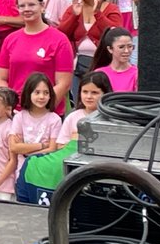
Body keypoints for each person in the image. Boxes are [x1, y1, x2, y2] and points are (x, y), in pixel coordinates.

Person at [19, 72, 112, 204]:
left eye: (94, 93)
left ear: (105, 94)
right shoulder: (73, 116)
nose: (89, 96)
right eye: (85, 92)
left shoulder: (110, 119)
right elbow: (61, 146)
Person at [0, 0, 74, 115]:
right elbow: (1, 78)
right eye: (22, 6)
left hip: (48, 114)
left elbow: (64, 83)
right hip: (16, 113)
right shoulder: (10, 39)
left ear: (42, 6)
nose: (27, 9)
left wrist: (41, 109)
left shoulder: (60, 40)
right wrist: (9, 105)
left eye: (31, 5)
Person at [58, 0, 122, 101]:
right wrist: (74, 16)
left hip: (103, 65)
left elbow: (116, 35)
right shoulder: (73, 9)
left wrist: (98, 14)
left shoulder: (111, 9)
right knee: (78, 102)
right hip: (78, 65)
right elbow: (61, 34)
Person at [10, 73, 63, 204]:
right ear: (29, 93)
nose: (41, 96)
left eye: (46, 93)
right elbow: (14, 147)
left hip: (43, 171)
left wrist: (25, 150)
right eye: (37, 92)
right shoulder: (19, 117)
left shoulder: (54, 119)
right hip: (22, 171)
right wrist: (42, 146)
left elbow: (53, 149)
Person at [92, 27, 137, 92]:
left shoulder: (137, 74)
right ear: (110, 49)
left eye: (130, 46)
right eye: (121, 47)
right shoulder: (99, 74)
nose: (126, 51)